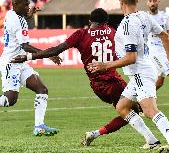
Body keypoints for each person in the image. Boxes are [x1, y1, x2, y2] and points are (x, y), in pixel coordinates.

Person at [11, 8, 139, 146]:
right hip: (113, 82)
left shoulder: (81, 34)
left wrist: (28, 56)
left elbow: (56, 50)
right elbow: (124, 55)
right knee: (133, 111)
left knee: (131, 110)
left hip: (97, 86)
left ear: (90, 21)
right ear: (106, 22)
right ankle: (149, 140)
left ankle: (96, 134)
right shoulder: (113, 33)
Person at [87, 0, 169, 152]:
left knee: (149, 110)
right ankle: (152, 140)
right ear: (137, 0)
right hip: (144, 70)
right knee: (122, 107)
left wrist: (105, 66)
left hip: (139, 71)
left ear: (121, 2)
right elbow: (164, 35)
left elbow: (131, 58)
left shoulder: (127, 25)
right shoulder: (144, 16)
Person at [0, 0, 61, 136]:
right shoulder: (18, 21)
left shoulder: (10, 14)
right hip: (11, 62)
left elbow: (22, 19)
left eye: (28, 3)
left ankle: (39, 126)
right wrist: (49, 54)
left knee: (42, 89)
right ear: (16, 4)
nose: (28, 6)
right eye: (25, 4)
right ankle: (39, 126)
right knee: (10, 100)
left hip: (20, 62)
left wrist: (30, 14)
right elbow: (26, 47)